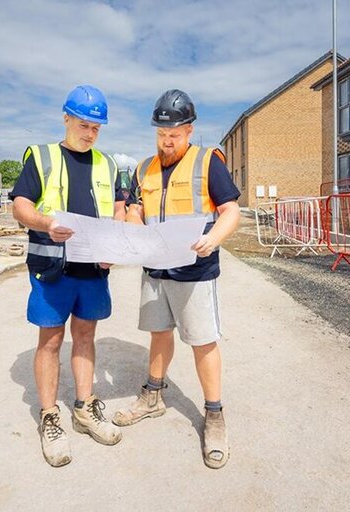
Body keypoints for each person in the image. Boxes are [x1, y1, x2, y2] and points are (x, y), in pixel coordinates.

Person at [114, 89, 241, 469]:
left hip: (195, 270)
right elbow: (137, 210)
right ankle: (153, 396)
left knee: (202, 342)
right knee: (158, 333)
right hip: (155, 270)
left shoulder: (208, 162)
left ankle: (214, 415)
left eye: (174, 135)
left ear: (188, 130)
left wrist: (213, 238)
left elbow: (231, 211)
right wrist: (132, 226)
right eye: (160, 134)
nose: (166, 141)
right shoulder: (143, 169)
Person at [9, 85, 126, 467]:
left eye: (96, 127)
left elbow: (120, 208)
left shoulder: (107, 164)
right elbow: (20, 205)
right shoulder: (41, 157)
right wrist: (46, 223)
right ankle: (49, 417)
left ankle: (84, 405)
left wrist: (114, 244)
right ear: (65, 118)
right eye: (83, 124)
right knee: (51, 339)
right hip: (53, 267)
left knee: (87, 335)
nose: (90, 133)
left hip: (92, 268)